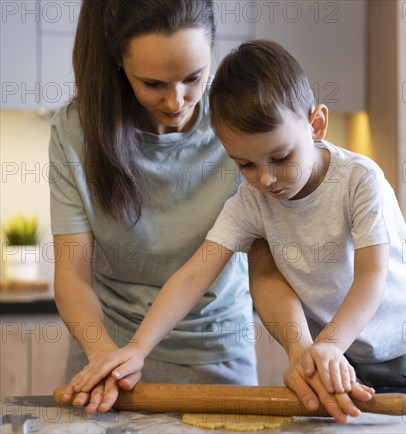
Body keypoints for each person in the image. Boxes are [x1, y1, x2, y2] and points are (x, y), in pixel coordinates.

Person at [68, 39, 406, 421]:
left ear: (315, 125)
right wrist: (137, 348)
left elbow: (372, 276)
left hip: (404, 344)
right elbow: (192, 276)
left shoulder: (360, 180)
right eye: (246, 165)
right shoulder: (252, 202)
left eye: (281, 158)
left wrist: (330, 343)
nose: (266, 179)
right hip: (333, 352)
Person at [51, 0, 279, 416]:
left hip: (217, 355)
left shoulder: (241, 124)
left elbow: (264, 263)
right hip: (108, 355)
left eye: (193, 77)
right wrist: (107, 359)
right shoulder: (75, 131)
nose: (177, 101)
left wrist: (304, 347)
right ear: (119, 63)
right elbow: (71, 272)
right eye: (154, 83)